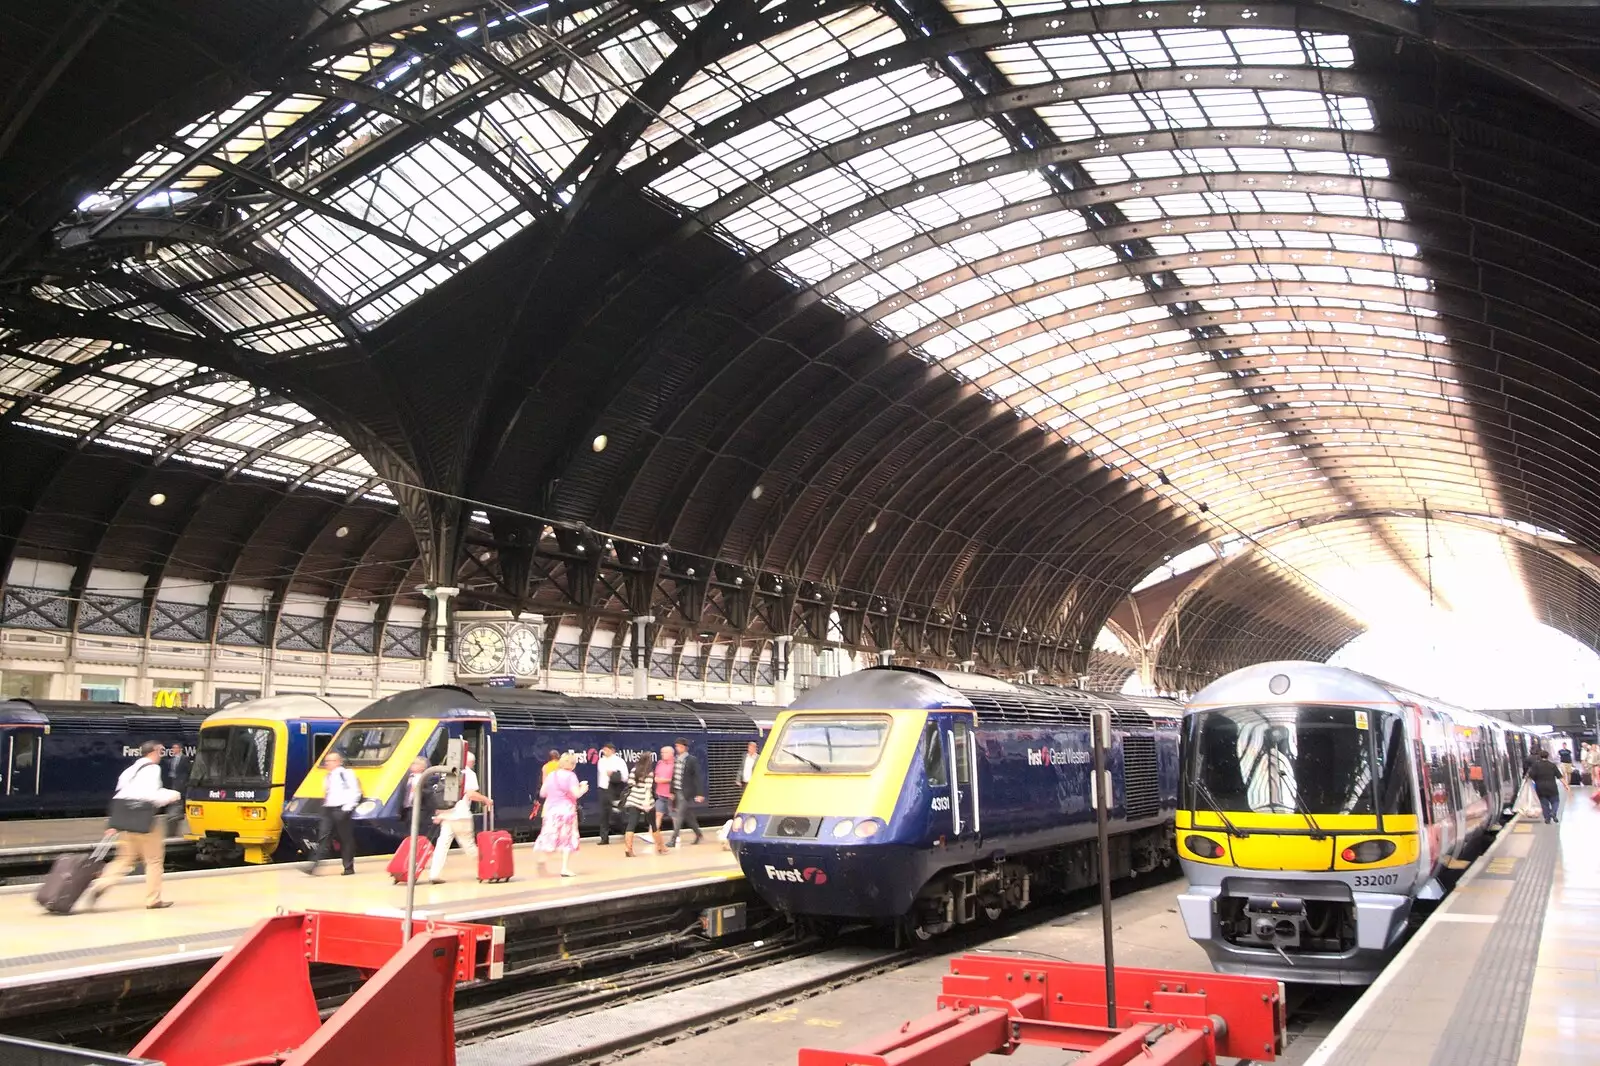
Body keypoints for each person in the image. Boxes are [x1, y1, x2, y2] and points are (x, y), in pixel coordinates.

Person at [86, 741, 182, 910]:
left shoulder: (129, 770)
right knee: (153, 860)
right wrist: (173, 795)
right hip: (145, 821)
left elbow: (121, 795)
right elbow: (151, 796)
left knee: (124, 859)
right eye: (160, 751)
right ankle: (153, 899)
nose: (162, 754)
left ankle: (100, 885)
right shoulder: (153, 769)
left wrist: (113, 823)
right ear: (153, 752)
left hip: (125, 821)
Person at [428, 750, 492, 883]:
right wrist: (486, 799)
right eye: (473, 762)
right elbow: (470, 794)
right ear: (470, 762)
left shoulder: (447, 772)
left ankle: (434, 874)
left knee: (442, 845)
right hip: (461, 815)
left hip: (447, 814)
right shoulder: (469, 773)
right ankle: (485, 869)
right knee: (469, 846)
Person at [305, 752, 360, 876]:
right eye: (326, 761)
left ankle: (348, 867)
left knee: (345, 839)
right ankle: (313, 865)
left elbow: (355, 792)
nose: (327, 763)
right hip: (328, 810)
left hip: (342, 809)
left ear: (338, 761)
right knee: (323, 837)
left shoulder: (346, 774)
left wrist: (347, 809)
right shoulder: (327, 776)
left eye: (330, 761)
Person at [534, 752, 587, 876]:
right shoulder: (571, 776)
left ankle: (542, 860)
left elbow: (542, 793)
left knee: (551, 837)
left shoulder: (551, 775)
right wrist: (583, 788)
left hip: (550, 812)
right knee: (567, 839)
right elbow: (576, 794)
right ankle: (564, 868)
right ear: (573, 765)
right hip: (566, 811)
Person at [622, 753, 663, 857]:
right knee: (653, 824)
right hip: (646, 802)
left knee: (631, 824)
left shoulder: (633, 770)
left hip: (633, 800)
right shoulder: (649, 772)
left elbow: (630, 784)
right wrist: (646, 802)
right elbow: (648, 788)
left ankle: (628, 848)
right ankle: (660, 846)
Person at [670, 738, 705, 848]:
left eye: (679, 746)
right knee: (688, 815)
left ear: (685, 747)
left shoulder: (691, 760)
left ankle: (673, 840)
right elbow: (673, 776)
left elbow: (697, 777)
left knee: (679, 815)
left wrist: (700, 793)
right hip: (677, 790)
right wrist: (671, 791)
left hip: (686, 792)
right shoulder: (675, 760)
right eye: (676, 746)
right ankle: (698, 834)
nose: (677, 748)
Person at [595, 743, 627, 845]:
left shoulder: (619, 761)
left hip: (614, 790)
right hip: (603, 789)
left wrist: (613, 774)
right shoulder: (601, 761)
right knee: (603, 814)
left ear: (612, 750)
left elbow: (625, 777)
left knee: (616, 812)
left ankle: (625, 832)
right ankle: (604, 838)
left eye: (607, 750)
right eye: (604, 750)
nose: (605, 752)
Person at [404, 756, 442, 843]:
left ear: (422, 767)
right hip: (408, 809)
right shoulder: (408, 778)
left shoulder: (427, 778)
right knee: (410, 831)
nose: (411, 765)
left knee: (419, 832)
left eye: (414, 764)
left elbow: (429, 794)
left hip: (421, 809)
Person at [1528, 748, 1566, 824]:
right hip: (1552, 787)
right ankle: (1553, 812)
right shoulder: (1552, 765)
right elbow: (1560, 776)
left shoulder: (1535, 765)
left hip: (1540, 787)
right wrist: (1566, 785)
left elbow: (1531, 776)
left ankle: (1547, 819)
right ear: (1548, 756)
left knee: (1544, 804)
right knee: (1555, 801)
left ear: (1539, 756)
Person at [653, 744, 674, 844]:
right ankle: (653, 835)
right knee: (657, 814)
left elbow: (675, 779)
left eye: (665, 752)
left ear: (671, 754)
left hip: (671, 795)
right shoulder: (660, 763)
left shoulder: (676, 764)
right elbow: (656, 777)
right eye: (662, 752)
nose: (662, 754)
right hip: (661, 794)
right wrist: (660, 780)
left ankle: (676, 835)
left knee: (674, 816)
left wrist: (664, 780)